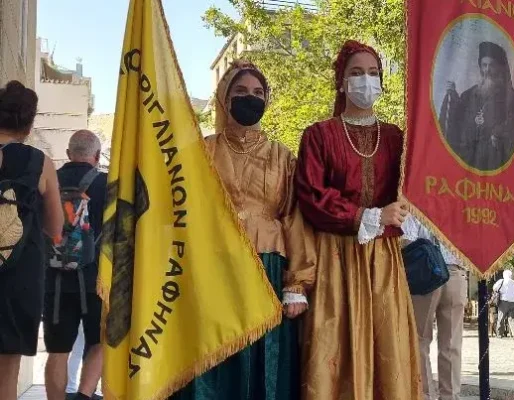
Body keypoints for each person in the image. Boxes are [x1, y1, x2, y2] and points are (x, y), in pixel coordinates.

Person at [168, 61, 315, 400]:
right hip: (212, 266)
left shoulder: (282, 156)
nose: (250, 98)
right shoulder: (201, 151)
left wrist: (297, 284)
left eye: (257, 93)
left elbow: (294, 217)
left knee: (263, 356)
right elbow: (179, 213)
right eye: (240, 92)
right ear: (224, 98)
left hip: (267, 268)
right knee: (214, 359)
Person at [294, 40, 421, 400]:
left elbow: (414, 191)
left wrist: (401, 211)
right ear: (341, 81)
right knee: (337, 347)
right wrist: (369, 215)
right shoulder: (319, 135)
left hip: (383, 261)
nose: (366, 80)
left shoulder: (398, 138)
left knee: (388, 349)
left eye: (373, 73)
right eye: (356, 73)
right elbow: (312, 197)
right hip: (337, 259)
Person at [0, 80, 64, 400]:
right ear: (29, 122)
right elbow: (55, 226)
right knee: (5, 379)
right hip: (18, 278)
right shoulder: (40, 163)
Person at [42, 130, 106, 400]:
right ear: (97, 155)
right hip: (96, 281)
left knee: (58, 351)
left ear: (68, 154)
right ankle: (84, 395)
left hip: (55, 283)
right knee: (100, 343)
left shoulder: (48, 180)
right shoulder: (108, 183)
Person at [402, 216, 468, 400]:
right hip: (456, 272)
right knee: (452, 343)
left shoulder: (416, 202)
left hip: (426, 270)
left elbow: (407, 239)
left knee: (419, 339)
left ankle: (425, 395)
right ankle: (450, 396)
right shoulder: (461, 204)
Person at [439, 41, 514, 171]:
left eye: (492, 65)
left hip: (494, 164)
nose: (487, 70)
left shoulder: (511, 98)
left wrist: (497, 133)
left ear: (500, 69)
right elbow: (456, 121)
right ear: (480, 67)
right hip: (467, 162)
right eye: (484, 65)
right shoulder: (469, 94)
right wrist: (452, 96)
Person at [492, 270, 514, 340]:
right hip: (513, 302)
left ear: (504, 275)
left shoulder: (501, 281)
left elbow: (494, 288)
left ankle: (499, 334)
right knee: (512, 319)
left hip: (503, 301)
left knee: (501, 318)